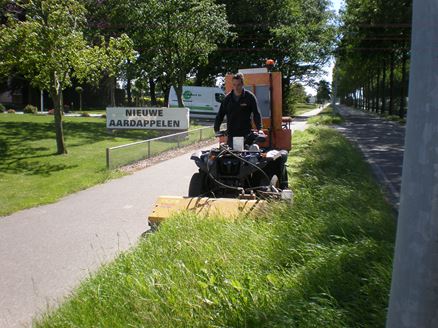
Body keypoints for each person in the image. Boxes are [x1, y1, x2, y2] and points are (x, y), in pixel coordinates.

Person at [214, 73, 263, 148]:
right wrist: (216, 129)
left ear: (243, 84)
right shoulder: (227, 99)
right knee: (232, 156)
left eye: (238, 85)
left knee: (248, 156)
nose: (236, 87)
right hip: (231, 133)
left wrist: (260, 129)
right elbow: (220, 115)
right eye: (234, 85)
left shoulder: (250, 97)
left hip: (246, 133)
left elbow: (256, 113)